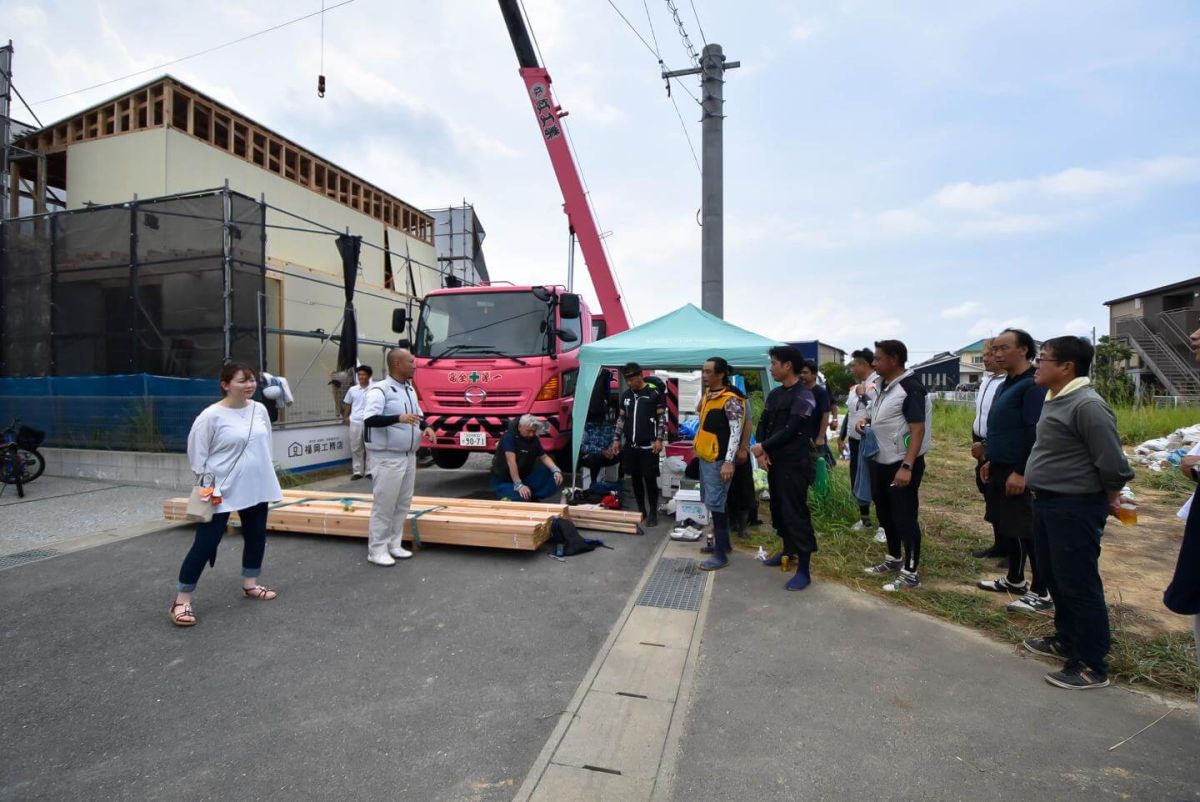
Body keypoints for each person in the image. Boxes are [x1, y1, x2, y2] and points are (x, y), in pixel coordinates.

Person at [1022, 336, 1134, 690]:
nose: (1038, 364)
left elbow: (1113, 462)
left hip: (1074, 506)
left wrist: (1113, 496)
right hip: (1048, 503)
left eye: (1043, 359)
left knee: (1079, 582)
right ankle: (1066, 639)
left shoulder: (1087, 405)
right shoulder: (1057, 398)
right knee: (1056, 577)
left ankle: (1091, 664)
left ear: (1067, 367)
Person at [170, 362, 283, 627]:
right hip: (219, 490)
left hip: (256, 486)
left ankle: (250, 583)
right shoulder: (211, 416)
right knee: (205, 543)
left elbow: (265, 445)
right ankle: (181, 600)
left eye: (252, 380)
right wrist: (208, 488)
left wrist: (267, 478)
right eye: (243, 381)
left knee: (256, 536)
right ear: (225, 385)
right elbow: (197, 456)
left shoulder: (260, 410)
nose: (250, 385)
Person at [976, 329, 1051, 614]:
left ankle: (1041, 591)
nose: (995, 354)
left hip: (1020, 470)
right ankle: (1015, 579)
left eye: (1002, 348)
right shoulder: (1006, 383)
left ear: (1023, 350)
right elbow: (1004, 428)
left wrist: (1021, 472)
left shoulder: (1032, 385)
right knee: (1011, 527)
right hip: (1001, 465)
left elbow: (1035, 431)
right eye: (994, 349)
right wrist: (991, 459)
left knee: (1026, 529)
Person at [858, 339, 932, 592]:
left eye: (878, 358)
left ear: (894, 360)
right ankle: (893, 558)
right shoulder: (882, 386)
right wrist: (865, 420)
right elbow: (877, 412)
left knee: (904, 516)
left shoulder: (910, 388)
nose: (874, 363)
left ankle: (911, 573)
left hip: (901, 463)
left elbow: (918, 429)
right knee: (885, 513)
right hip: (880, 460)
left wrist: (907, 466)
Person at [362, 348, 436, 567]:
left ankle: (394, 544)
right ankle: (376, 550)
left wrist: (426, 427)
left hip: (408, 455)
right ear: (397, 364)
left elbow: (417, 415)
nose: (415, 365)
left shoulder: (409, 389)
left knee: (403, 504)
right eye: (411, 362)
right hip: (386, 457)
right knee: (384, 505)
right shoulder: (380, 390)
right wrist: (398, 418)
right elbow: (370, 419)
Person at [752, 345, 818, 590]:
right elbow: (763, 423)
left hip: (795, 465)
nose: (771, 368)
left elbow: (790, 431)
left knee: (795, 513)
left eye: (774, 363)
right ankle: (787, 551)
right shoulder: (776, 394)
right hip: (774, 463)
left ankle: (804, 569)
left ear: (787, 365)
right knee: (778, 511)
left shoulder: (804, 395)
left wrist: (761, 447)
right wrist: (761, 450)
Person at [694, 357, 745, 571]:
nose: (704, 375)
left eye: (708, 372)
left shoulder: (731, 399)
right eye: (703, 371)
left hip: (719, 461)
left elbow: (736, 432)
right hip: (706, 457)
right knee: (712, 501)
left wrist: (728, 462)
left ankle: (720, 554)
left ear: (720, 374)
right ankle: (723, 544)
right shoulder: (710, 395)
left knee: (717, 504)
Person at [610, 363, 667, 526]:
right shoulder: (627, 396)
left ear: (640, 376)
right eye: (627, 380)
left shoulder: (654, 394)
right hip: (631, 446)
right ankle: (641, 509)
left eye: (632, 380)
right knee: (635, 479)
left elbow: (661, 419)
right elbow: (621, 419)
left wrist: (659, 439)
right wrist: (616, 439)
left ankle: (653, 513)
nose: (629, 383)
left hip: (649, 446)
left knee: (649, 480)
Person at [839, 348, 884, 541]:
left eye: (854, 364)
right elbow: (850, 414)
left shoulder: (877, 385)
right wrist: (841, 437)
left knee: (876, 481)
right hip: (855, 441)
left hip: (872, 441)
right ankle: (864, 518)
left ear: (865, 364)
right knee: (857, 479)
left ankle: (884, 525)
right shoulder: (855, 387)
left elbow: (877, 411)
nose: (852, 368)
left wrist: (863, 395)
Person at [971, 343, 1006, 560]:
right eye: (983, 356)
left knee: (1003, 499)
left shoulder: (1008, 383)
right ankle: (999, 544)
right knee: (989, 495)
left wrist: (988, 444)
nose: (984, 359)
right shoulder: (987, 380)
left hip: (995, 445)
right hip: (981, 443)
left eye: (989, 355)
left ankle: (1013, 550)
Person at [492, 414, 565, 501]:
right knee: (519, 498)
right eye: (528, 431)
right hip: (504, 478)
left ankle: (532, 494)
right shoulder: (509, 437)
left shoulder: (534, 438)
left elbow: (544, 457)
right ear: (520, 427)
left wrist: (556, 470)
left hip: (524, 474)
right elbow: (511, 462)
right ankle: (509, 493)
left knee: (551, 475)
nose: (531, 434)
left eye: (533, 431)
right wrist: (518, 484)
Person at [341, 365, 374, 480]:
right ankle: (357, 472)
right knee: (356, 447)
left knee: (370, 447)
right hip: (355, 421)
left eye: (363, 374)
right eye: (359, 375)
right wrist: (345, 416)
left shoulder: (375, 389)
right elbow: (347, 403)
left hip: (370, 421)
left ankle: (370, 471)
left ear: (369, 376)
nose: (361, 377)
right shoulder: (352, 390)